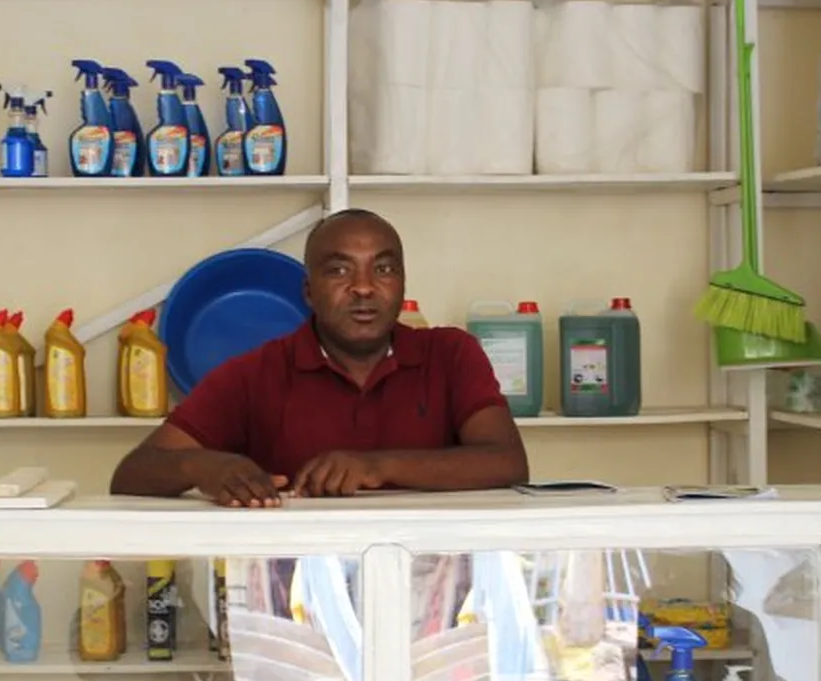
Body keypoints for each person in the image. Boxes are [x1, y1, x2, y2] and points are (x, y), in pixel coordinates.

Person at [111, 209, 529, 505]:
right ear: (309, 292)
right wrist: (201, 469)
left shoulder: (451, 355)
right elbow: (132, 474)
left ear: (402, 285)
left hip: (430, 593)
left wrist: (376, 468)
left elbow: (507, 463)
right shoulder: (255, 374)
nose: (364, 288)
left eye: (383, 269)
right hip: (294, 601)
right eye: (340, 270)